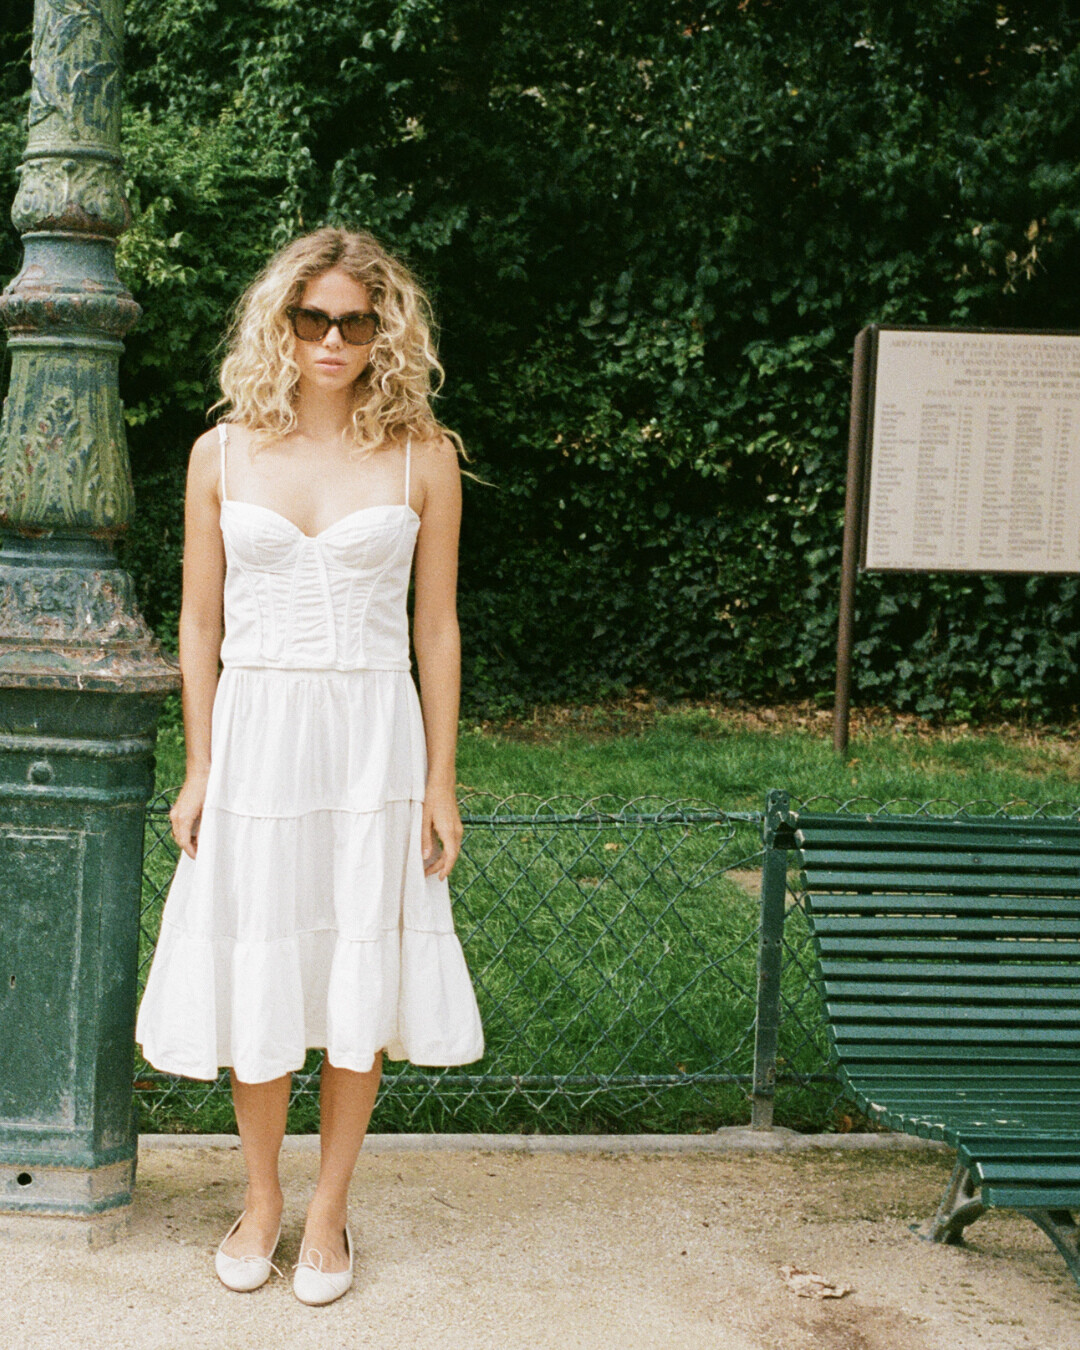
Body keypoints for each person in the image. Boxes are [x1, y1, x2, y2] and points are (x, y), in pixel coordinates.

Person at [135, 225, 485, 1305]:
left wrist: (439, 781)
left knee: (354, 969)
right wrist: (199, 767)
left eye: (356, 321)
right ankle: (261, 1199)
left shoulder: (425, 457)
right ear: (280, 322)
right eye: (312, 317)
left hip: (373, 738)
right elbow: (199, 624)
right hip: (257, 738)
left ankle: (329, 1208)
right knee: (264, 968)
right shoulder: (222, 453)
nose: (332, 339)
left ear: (386, 332)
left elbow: (437, 630)